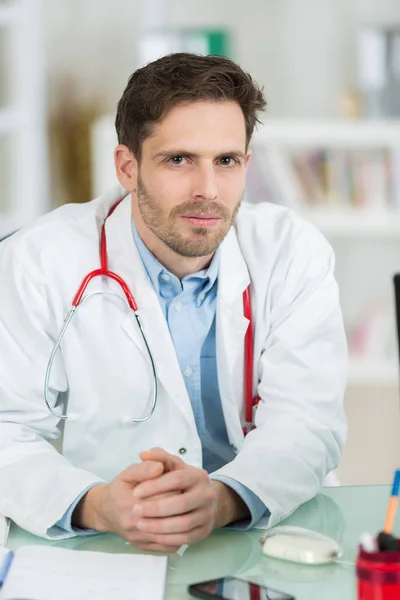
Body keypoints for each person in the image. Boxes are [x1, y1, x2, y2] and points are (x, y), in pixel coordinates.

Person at [0, 53, 347, 551]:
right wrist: (97, 504)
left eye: (225, 161)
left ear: (246, 165)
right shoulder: (36, 263)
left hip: (262, 529)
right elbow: (6, 428)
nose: (207, 190)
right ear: (127, 166)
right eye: (179, 160)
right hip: (102, 540)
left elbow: (309, 420)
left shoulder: (292, 252)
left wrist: (224, 498)